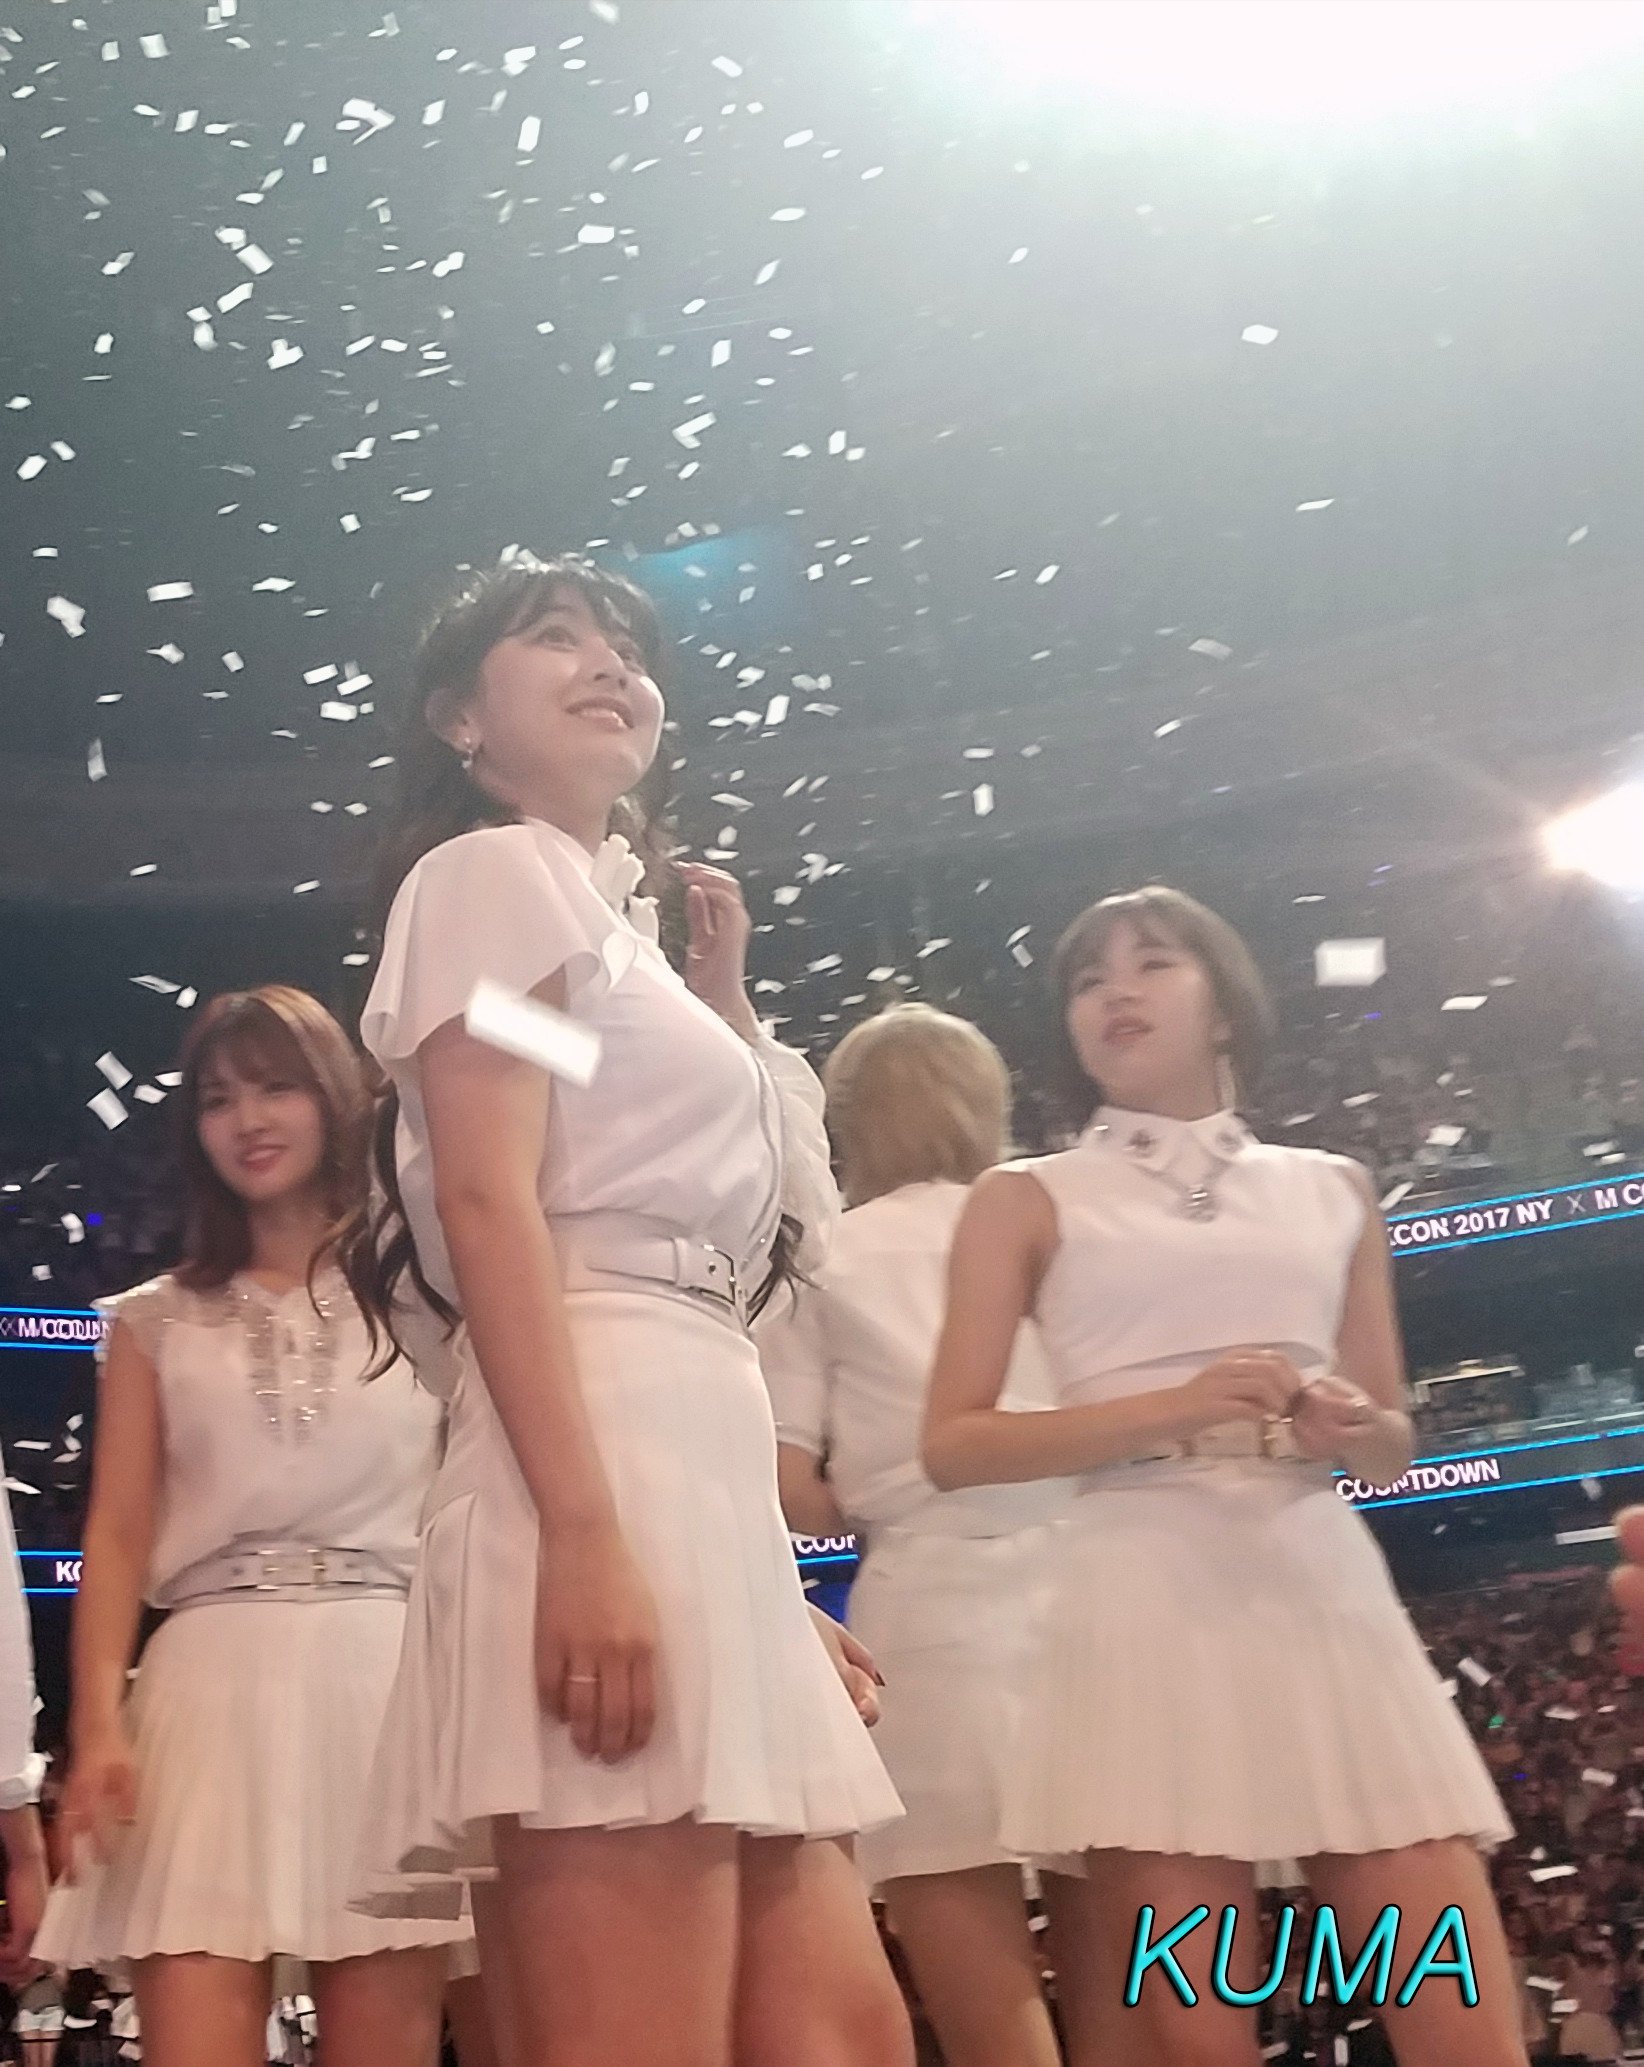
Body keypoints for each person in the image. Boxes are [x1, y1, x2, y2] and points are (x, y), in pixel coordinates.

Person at [351, 553, 911, 2067]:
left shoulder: (607, 937)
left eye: (626, 645)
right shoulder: (494, 875)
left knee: (836, 2032)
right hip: (592, 1469)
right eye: (555, 639)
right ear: (459, 717)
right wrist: (588, 1535)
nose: (608, 662)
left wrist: (755, 1581)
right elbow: (492, 1201)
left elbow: (644, 1178)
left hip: (688, 1470)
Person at [922, 886, 1526, 2067]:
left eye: (1152, 963)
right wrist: (1178, 1407)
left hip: (1321, 1586)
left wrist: (1347, 1423)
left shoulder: (1333, 1187)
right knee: (1198, 2038)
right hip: (1138, 1599)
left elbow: (1392, 1441)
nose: (1117, 991)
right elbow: (956, 1443)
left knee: (1462, 2019)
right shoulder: (1025, 1197)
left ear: (1227, 1004)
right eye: (1088, 978)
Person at [34, 986, 472, 2067]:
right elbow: (117, 1534)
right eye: (219, 1098)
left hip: (388, 1686)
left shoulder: (426, 1301)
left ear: (334, 1098)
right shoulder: (152, 1321)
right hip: (203, 1694)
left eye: (276, 1086)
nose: (249, 1119)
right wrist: (97, 1725)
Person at [758, 1003, 1078, 2067]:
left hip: (929, 1618)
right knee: (1130, 2005)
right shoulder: (1055, 1224)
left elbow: (789, 1484)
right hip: (1088, 1604)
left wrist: (878, 1492)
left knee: (990, 2020)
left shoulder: (828, 1257)